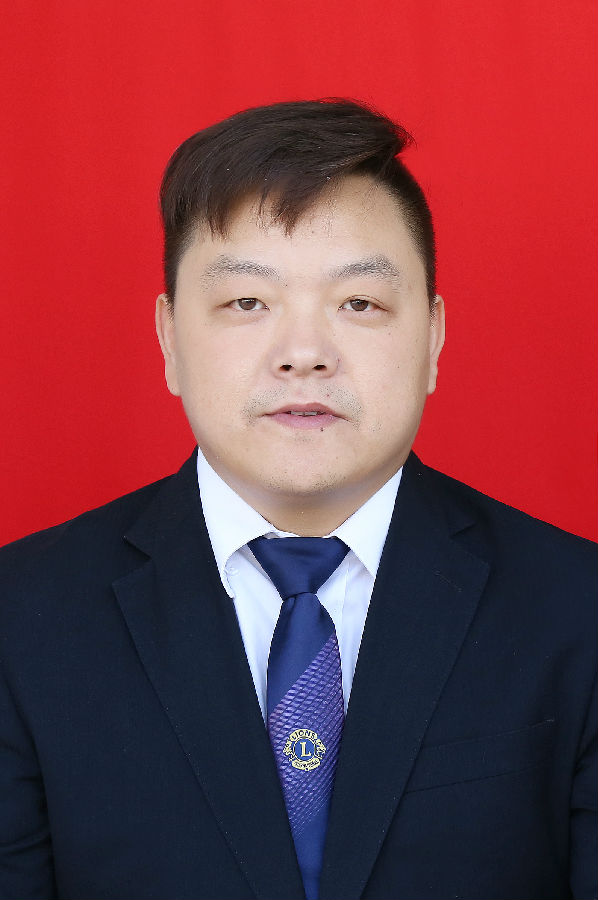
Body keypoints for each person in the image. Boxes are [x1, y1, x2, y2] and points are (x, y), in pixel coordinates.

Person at [0, 99, 595, 900]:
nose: (304, 354)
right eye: (248, 303)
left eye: (359, 303)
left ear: (433, 338)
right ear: (170, 339)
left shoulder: (576, 611)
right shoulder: (21, 620)